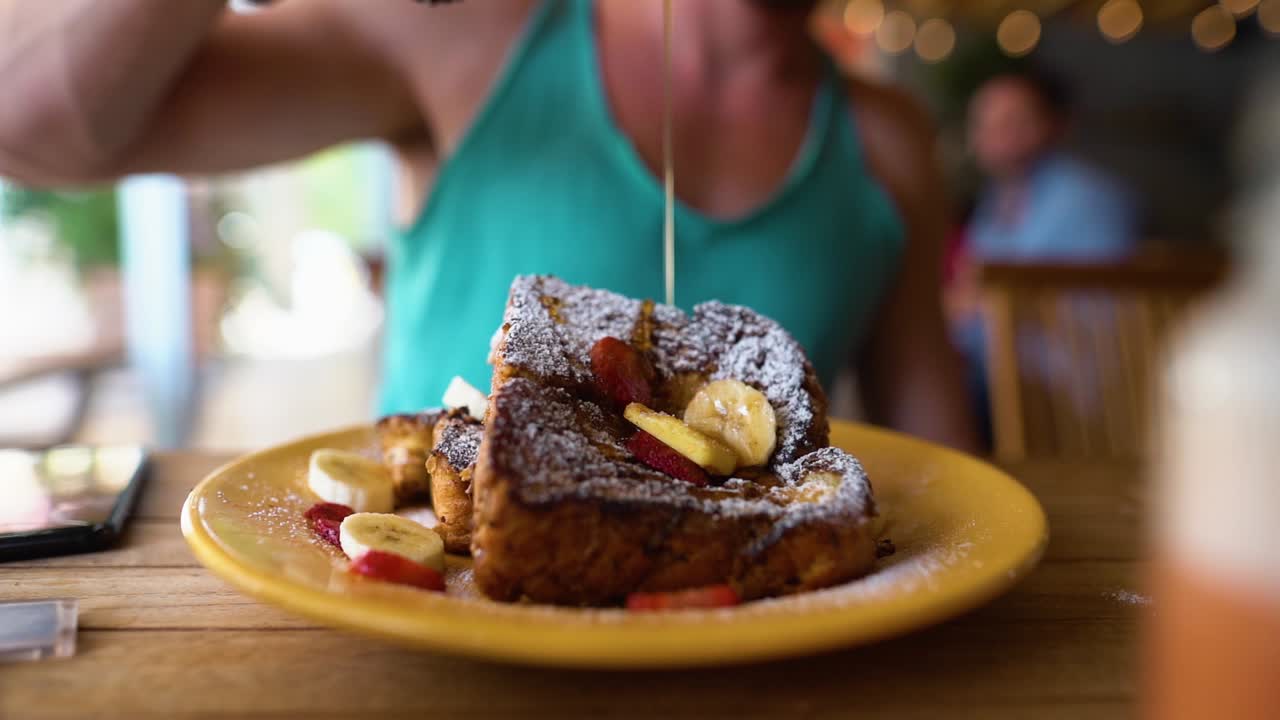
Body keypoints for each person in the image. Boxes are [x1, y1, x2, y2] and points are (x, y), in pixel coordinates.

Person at [0, 0, 976, 451]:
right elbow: (30, 127)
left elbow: (947, 476)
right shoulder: (463, 32)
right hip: (441, 639)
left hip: (769, 666)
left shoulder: (885, 141)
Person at [966, 72, 1138, 262]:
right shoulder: (996, 194)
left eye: (1012, 122)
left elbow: (1103, 285)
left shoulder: (1089, 196)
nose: (992, 135)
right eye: (983, 123)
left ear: (1052, 124)